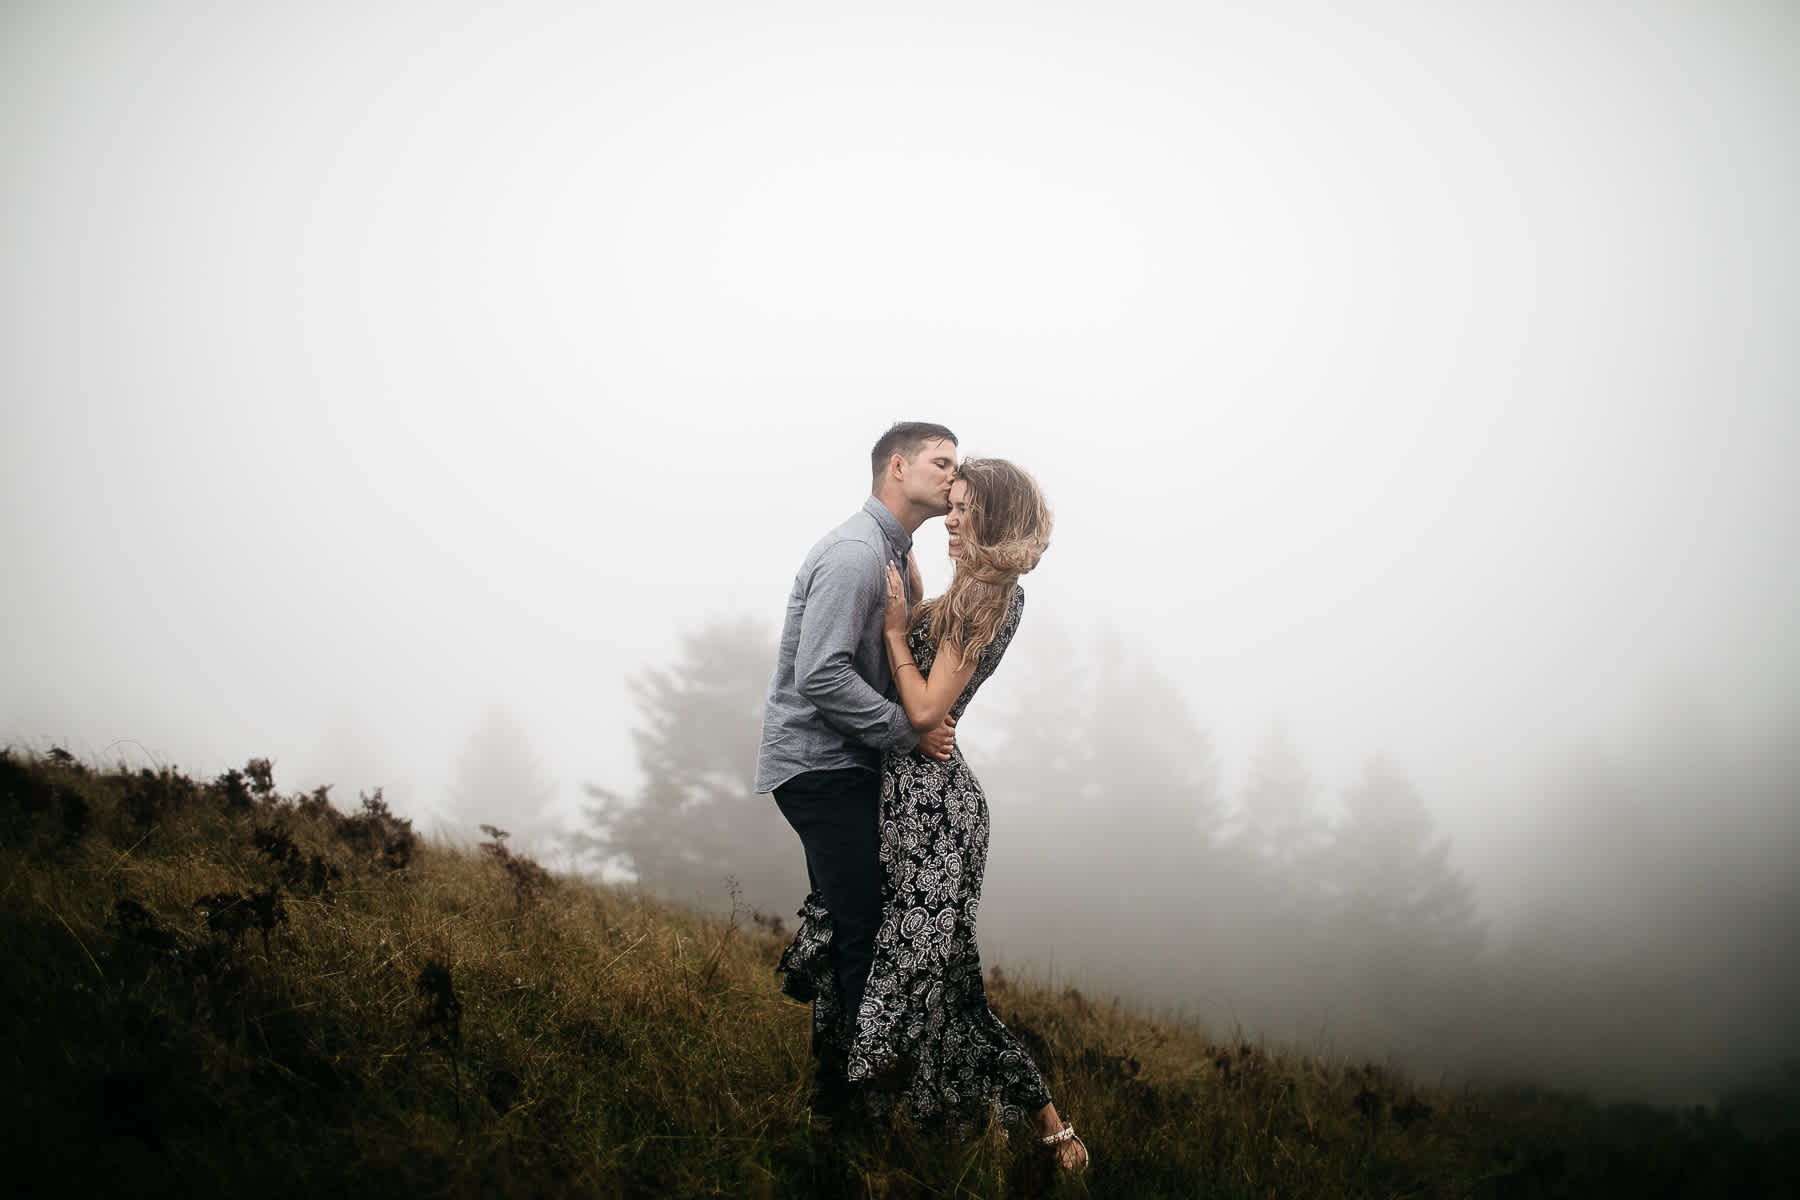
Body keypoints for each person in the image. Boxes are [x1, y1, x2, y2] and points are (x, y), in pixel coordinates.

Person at [778, 457, 1088, 1174]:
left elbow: (925, 710)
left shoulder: (989, 595)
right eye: (949, 505)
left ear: (995, 517)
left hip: (933, 812)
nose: (951, 519)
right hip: (912, 798)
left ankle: (1038, 1132)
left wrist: (893, 631)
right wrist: (912, 594)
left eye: (964, 507)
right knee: (936, 973)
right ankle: (967, 1125)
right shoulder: (968, 589)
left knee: (935, 976)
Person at [756, 421, 962, 1113]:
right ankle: (844, 1107)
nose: (952, 476)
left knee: (850, 923)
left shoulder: (894, 555)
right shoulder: (854, 554)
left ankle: (838, 1090)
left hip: (843, 762)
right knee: (864, 929)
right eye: (941, 462)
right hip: (820, 766)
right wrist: (908, 732)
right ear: (896, 468)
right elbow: (820, 674)